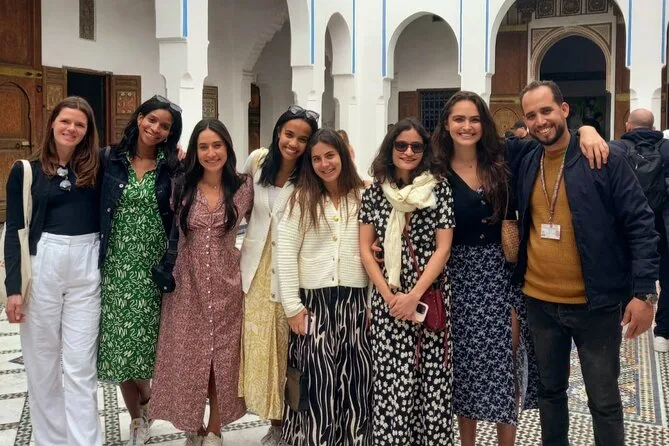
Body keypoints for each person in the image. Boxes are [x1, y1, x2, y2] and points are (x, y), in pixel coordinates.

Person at [515, 80, 659, 446]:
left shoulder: (603, 158)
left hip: (595, 305)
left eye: (546, 111)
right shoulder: (527, 160)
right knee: (550, 392)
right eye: (531, 115)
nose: (540, 121)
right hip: (540, 303)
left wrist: (645, 293)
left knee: (604, 400)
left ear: (564, 110)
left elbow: (641, 224)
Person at [431, 91, 538, 446]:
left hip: (500, 273)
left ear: (485, 124)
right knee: (466, 369)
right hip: (456, 276)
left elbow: (547, 142)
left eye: (474, 119)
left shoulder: (502, 160)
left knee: (505, 364)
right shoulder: (435, 172)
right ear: (447, 124)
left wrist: (587, 132)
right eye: (459, 119)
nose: (467, 126)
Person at [4, 96, 103, 445]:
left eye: (79, 124)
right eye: (65, 121)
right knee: (42, 363)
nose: (71, 129)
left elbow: (140, 156)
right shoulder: (26, 170)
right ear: (52, 124)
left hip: (86, 263)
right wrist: (13, 289)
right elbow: (14, 230)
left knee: (80, 366)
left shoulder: (99, 166)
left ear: (87, 130)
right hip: (43, 261)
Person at [151, 119, 254, 446]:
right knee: (189, 358)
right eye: (204, 146)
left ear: (228, 148)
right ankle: (193, 427)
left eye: (217, 145)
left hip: (227, 285)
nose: (211, 153)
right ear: (195, 151)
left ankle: (214, 430)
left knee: (222, 361)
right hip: (186, 285)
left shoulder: (244, 187)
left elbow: (269, 220)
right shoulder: (181, 186)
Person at [359, 117, 455, 445]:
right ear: (390, 148)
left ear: (426, 150)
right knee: (392, 386)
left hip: (428, 300)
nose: (409, 152)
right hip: (389, 305)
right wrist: (390, 297)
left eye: (417, 146)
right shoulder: (375, 193)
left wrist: (413, 295)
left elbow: (443, 248)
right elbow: (365, 249)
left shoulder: (439, 189)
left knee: (432, 386)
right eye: (401, 145)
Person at [276, 128, 372, 445]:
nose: (324, 164)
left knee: (356, 381)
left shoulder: (362, 197)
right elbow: (285, 253)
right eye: (316, 158)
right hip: (314, 307)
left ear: (342, 155)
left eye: (330, 155)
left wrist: (371, 303)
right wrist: (292, 307)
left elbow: (374, 255)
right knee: (317, 383)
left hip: (354, 305)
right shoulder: (301, 199)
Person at [97, 95, 183, 445]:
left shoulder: (173, 167)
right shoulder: (110, 159)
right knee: (119, 346)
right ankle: (138, 416)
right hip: (116, 266)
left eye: (165, 126)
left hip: (153, 268)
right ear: (139, 118)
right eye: (152, 120)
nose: (156, 129)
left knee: (145, 346)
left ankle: (147, 398)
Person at [239, 105, 319, 446]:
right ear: (278, 133)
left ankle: (293, 422)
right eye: (289, 134)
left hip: (293, 273)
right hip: (256, 269)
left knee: (291, 350)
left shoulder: (312, 175)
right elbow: (238, 200)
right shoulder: (257, 161)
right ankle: (275, 422)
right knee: (264, 350)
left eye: (303, 139)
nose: (293, 143)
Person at [609, 108, 668, 351]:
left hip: (626, 225)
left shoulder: (615, 149)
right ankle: (663, 333)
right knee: (666, 276)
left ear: (628, 126)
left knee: (623, 270)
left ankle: (622, 321)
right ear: (654, 128)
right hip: (661, 225)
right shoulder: (667, 148)